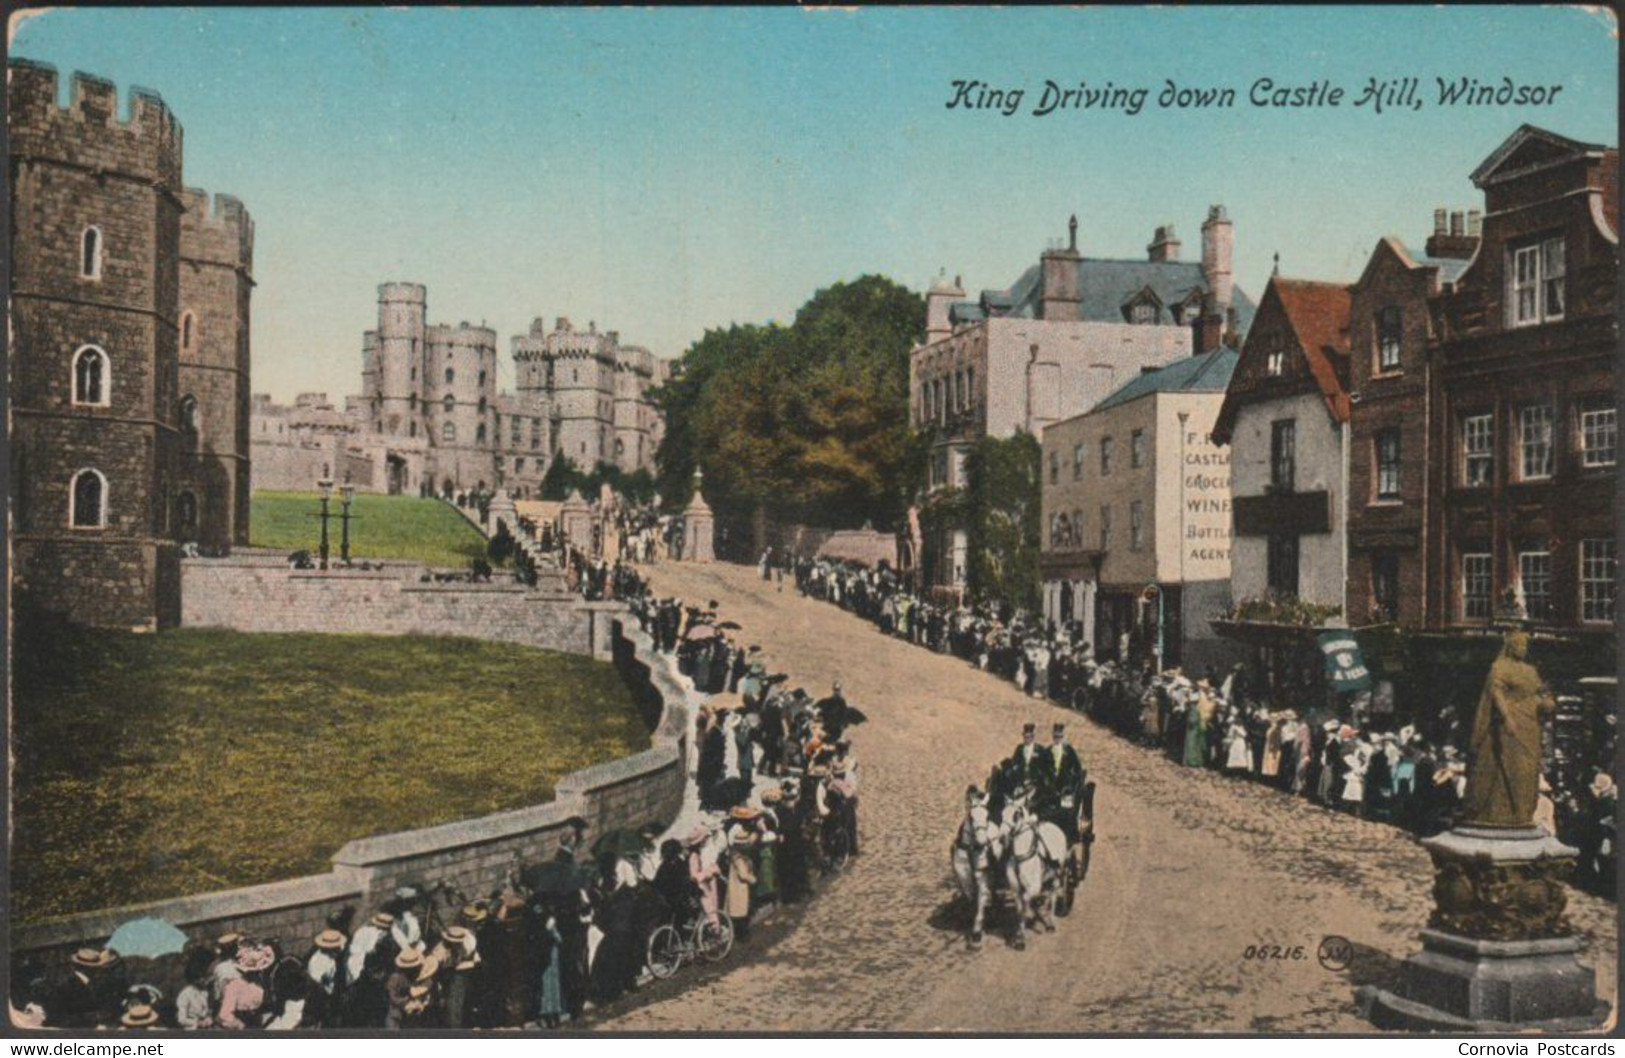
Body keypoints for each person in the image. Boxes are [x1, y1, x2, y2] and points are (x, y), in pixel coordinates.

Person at [1463, 629, 1556, 828]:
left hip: (1530, 724)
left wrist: (1547, 702)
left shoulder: (1530, 670)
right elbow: (1496, 693)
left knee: (1528, 768)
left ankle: (1522, 812)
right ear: (1511, 647)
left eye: (1525, 646)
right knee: (1511, 765)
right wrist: (1506, 717)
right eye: (1519, 645)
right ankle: (1502, 812)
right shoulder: (1500, 667)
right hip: (1510, 723)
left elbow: (1541, 693)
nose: (1523, 649)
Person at [726, 824, 759, 941]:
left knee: (740, 909)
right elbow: (743, 874)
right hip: (739, 887)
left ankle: (741, 932)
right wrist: (753, 879)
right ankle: (742, 935)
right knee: (740, 910)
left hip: (737, 885)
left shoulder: (736, 855)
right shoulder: (739, 858)